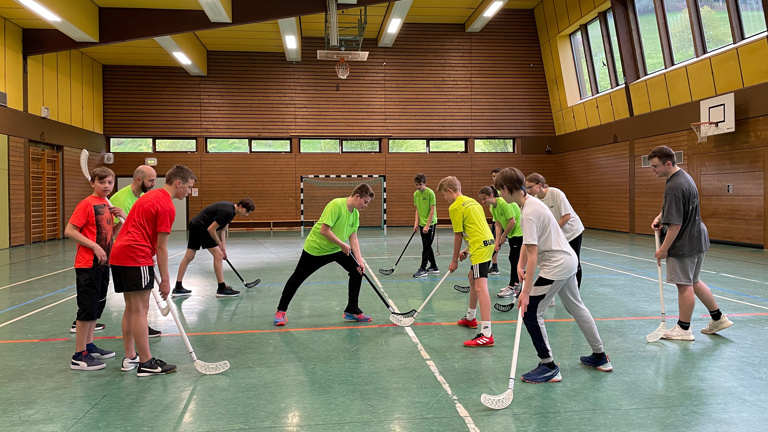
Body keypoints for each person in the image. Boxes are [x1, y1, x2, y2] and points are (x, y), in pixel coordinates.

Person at [495, 167, 611, 383]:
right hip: (567, 260)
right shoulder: (530, 204)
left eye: (499, 191)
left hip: (557, 265)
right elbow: (529, 244)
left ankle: (548, 366)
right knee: (575, 306)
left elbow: (532, 254)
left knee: (530, 312)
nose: (500, 196)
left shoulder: (529, 212)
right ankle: (600, 357)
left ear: (506, 189)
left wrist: (526, 292)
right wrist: (519, 265)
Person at [110, 165, 197, 376]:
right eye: (188, 187)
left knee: (131, 308)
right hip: (135, 256)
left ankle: (130, 357)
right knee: (140, 309)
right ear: (178, 183)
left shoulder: (149, 196)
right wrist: (166, 280)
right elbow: (161, 246)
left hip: (119, 254)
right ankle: (146, 362)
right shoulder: (166, 206)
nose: (188, 191)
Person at [648, 146, 733, 340]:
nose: (653, 170)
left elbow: (676, 225)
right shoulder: (684, 177)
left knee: (684, 285)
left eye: (655, 167)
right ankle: (718, 318)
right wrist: (661, 217)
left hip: (684, 242)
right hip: (697, 238)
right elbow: (679, 209)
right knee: (694, 281)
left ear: (668, 163)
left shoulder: (673, 187)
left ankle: (683, 329)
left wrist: (663, 249)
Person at [273, 183, 375, 326]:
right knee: (297, 277)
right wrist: (342, 245)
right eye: (365, 202)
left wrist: (359, 261)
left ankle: (352, 309)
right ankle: (281, 311)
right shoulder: (336, 205)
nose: (366, 205)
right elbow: (324, 231)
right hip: (316, 249)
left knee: (357, 271)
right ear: (357, 196)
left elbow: (354, 238)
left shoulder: (355, 214)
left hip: (336, 249)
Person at [65, 167, 125, 371]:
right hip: (87, 264)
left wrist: (120, 218)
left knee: (96, 308)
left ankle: (89, 346)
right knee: (87, 308)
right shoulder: (86, 204)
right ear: (92, 183)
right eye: (102, 182)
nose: (106, 186)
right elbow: (70, 230)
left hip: (103, 263)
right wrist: (94, 246)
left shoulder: (107, 205)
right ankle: (79, 355)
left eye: (110, 182)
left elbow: (112, 234)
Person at [96, 164, 162, 338]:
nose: (154, 184)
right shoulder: (122, 199)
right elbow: (110, 231)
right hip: (125, 253)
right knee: (134, 301)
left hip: (135, 250)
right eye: (151, 180)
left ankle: (140, 328)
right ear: (139, 180)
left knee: (135, 302)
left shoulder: (139, 196)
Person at [437, 176, 495, 347]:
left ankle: (486, 333)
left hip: (479, 249)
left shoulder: (455, 206)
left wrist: (454, 260)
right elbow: (478, 228)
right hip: (487, 244)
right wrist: (467, 250)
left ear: (449, 191)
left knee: (480, 286)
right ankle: (470, 317)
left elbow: (458, 235)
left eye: (444, 195)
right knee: (472, 278)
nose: (445, 199)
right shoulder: (472, 202)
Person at [172, 198, 255, 297]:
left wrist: (223, 248)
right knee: (218, 255)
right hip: (201, 227)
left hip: (195, 224)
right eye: (247, 212)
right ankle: (221, 288)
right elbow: (211, 229)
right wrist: (218, 243)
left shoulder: (232, 211)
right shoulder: (227, 211)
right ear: (241, 207)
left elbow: (223, 230)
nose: (246, 215)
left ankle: (178, 287)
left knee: (189, 256)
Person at [525, 173, 584, 289]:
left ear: (540, 185)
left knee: (575, 261)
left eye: (530, 187)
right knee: (557, 262)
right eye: (526, 188)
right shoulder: (536, 200)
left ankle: (576, 289)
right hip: (559, 234)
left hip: (572, 232)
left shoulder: (556, 193)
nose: (528, 191)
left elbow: (566, 216)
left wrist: (553, 232)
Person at [478, 186, 522, 298]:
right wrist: (497, 241)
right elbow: (498, 224)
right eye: (481, 200)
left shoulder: (503, 203)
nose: (483, 202)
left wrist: (503, 236)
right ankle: (516, 284)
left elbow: (512, 222)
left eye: (484, 199)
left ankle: (512, 287)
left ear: (491, 195)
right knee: (513, 259)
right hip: (512, 233)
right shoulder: (493, 207)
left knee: (514, 259)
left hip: (519, 232)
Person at [412, 173, 439, 278]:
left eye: (420, 184)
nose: (418, 187)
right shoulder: (416, 194)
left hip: (431, 223)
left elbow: (432, 210)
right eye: (416, 185)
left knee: (426, 247)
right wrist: (416, 224)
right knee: (426, 245)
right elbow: (417, 210)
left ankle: (423, 269)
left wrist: (428, 225)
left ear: (425, 183)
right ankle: (434, 266)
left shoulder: (430, 193)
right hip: (422, 223)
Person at [488, 168, 503, 275]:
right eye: (493, 176)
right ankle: (494, 266)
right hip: (496, 220)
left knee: (497, 243)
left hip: (505, 221)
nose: (495, 178)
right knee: (494, 242)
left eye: (497, 176)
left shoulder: (504, 190)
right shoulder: (491, 190)